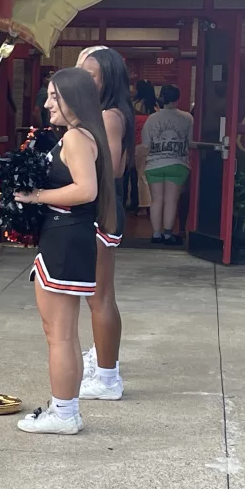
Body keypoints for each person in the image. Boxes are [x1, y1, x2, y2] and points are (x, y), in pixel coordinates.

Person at [15, 68, 116, 435]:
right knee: (64, 332)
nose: (47, 104)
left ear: (74, 98)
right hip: (67, 237)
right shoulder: (82, 135)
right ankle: (66, 410)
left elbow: (85, 190)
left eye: (54, 96)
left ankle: (64, 414)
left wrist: (35, 196)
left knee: (58, 334)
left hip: (66, 236)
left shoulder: (76, 137)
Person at [77, 47, 134, 402]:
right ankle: (102, 355)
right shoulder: (101, 112)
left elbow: (111, 168)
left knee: (100, 297)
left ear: (107, 80)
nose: (83, 79)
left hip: (101, 210)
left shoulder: (109, 116)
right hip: (99, 209)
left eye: (91, 75)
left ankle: (108, 377)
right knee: (95, 296)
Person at [141, 84, 192, 245]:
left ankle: (156, 234)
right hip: (178, 164)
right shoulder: (187, 118)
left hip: (154, 164)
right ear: (178, 99)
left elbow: (145, 144)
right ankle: (168, 234)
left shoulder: (152, 119)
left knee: (156, 199)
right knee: (171, 200)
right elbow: (191, 142)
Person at [131, 80, 157, 214]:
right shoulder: (155, 106)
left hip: (139, 144)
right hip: (153, 144)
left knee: (141, 176)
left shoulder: (135, 105)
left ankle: (144, 206)